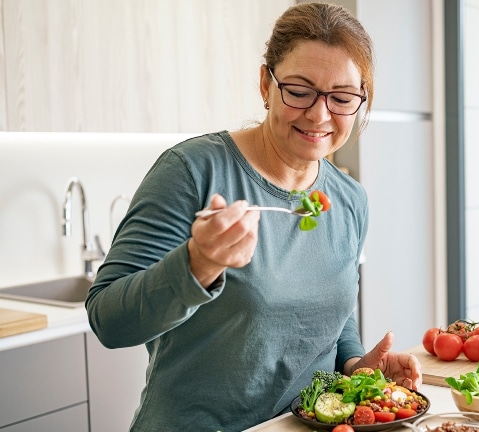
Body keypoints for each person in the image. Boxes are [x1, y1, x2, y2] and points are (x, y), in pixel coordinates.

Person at [86, 3, 422, 430]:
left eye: (341, 98)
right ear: (266, 83)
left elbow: (332, 315)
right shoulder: (194, 171)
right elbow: (108, 321)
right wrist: (198, 265)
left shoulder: (350, 199)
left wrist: (354, 363)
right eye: (299, 91)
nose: (320, 115)